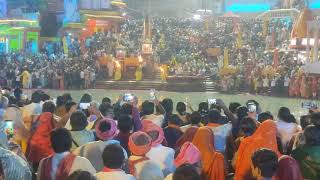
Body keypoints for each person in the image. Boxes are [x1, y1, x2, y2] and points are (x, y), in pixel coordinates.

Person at [26, 101, 56, 170]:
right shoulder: (51, 117)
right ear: (53, 110)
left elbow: (32, 129)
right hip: (45, 148)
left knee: (36, 166)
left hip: (34, 144)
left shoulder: (38, 117)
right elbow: (54, 131)